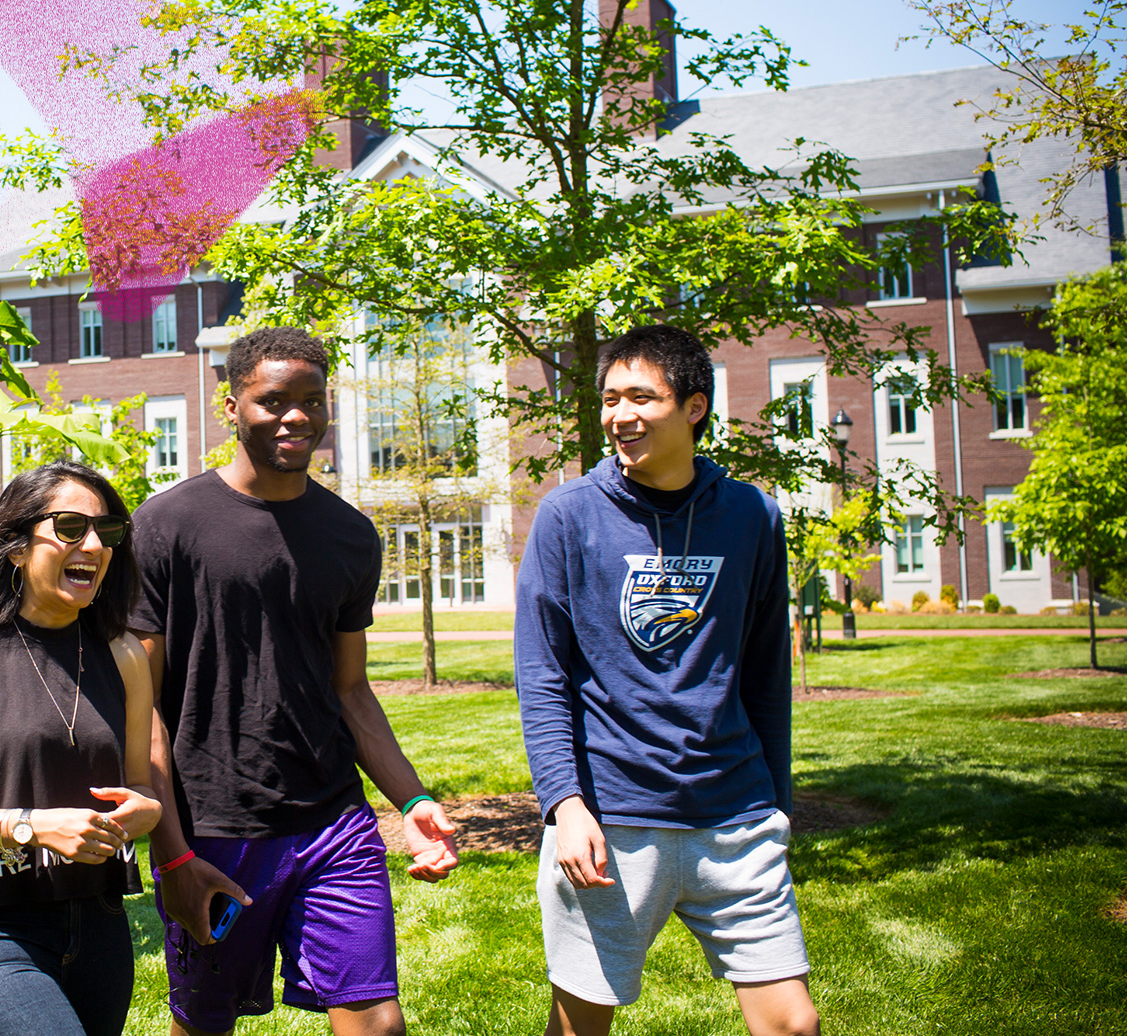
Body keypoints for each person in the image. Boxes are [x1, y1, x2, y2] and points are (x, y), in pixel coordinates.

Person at [130, 326, 461, 1036]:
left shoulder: (349, 535)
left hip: (334, 821)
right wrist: (174, 852)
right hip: (215, 825)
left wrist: (414, 798)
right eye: (274, 400)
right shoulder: (166, 524)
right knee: (204, 1022)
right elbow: (141, 706)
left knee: (377, 1019)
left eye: (313, 401)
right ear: (231, 406)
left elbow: (351, 690)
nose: (296, 417)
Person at [514, 324, 819, 1036]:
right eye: (610, 399)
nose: (621, 415)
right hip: (612, 820)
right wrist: (565, 805)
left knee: (793, 1024)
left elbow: (766, 667)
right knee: (581, 1026)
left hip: (736, 814)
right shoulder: (569, 516)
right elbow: (543, 674)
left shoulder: (751, 514)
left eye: (641, 397)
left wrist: (778, 799)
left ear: (694, 407)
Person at [0, 460, 163, 1036]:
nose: (95, 545)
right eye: (71, 527)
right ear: (18, 546)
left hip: (100, 925)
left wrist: (145, 810)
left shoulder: (123, 656)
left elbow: (140, 788)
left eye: (108, 532)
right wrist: (31, 826)